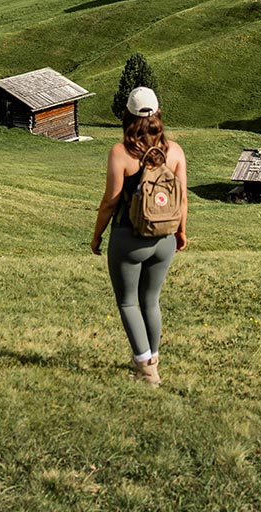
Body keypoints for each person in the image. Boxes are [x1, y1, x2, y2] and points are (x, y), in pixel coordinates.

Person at [90, 86, 187, 386]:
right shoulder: (175, 151)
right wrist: (181, 232)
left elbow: (110, 201)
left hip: (128, 238)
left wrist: (97, 236)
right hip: (164, 240)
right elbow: (182, 199)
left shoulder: (121, 153)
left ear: (127, 116)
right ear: (158, 114)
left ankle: (146, 369)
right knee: (151, 300)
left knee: (128, 302)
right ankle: (152, 357)